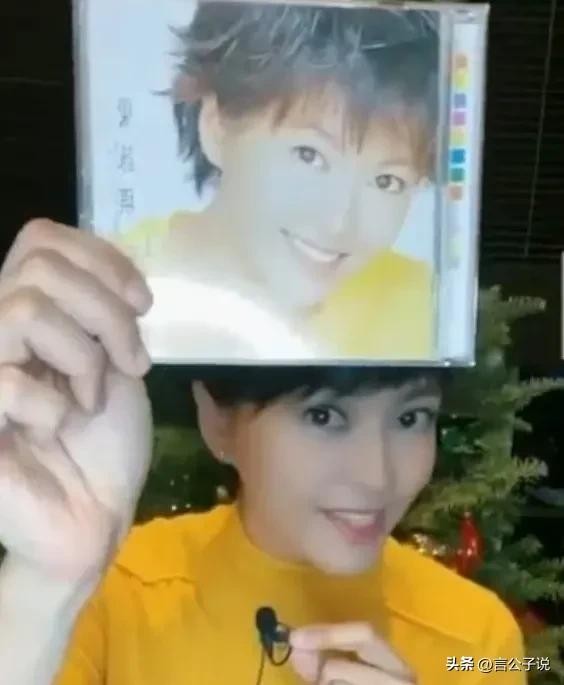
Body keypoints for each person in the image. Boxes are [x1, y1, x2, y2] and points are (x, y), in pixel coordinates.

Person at [0, 219, 525, 685]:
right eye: (324, 416)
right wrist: (47, 584)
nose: (377, 476)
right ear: (218, 420)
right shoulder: (113, 592)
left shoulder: (478, 643)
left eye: (411, 418)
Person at [117, 3, 439, 360]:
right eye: (309, 155)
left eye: (387, 181)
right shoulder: (116, 280)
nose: (338, 223)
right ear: (216, 125)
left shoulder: (429, 307)